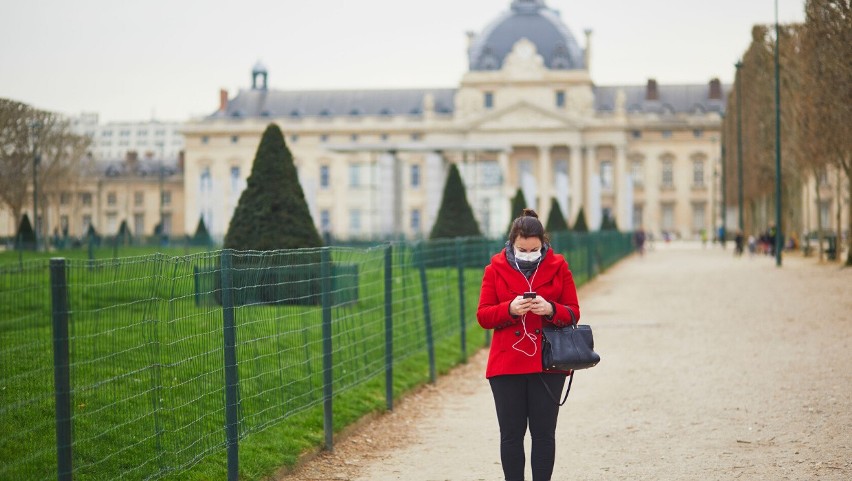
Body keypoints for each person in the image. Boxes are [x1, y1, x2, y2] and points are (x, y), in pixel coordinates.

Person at [477, 209, 580, 481]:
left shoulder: (559, 266)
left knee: (544, 434)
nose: (528, 253)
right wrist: (510, 309)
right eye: (522, 248)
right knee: (511, 435)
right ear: (512, 242)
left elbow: (573, 312)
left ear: (543, 244)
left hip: (548, 363)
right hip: (506, 364)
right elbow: (483, 315)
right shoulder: (494, 269)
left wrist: (550, 309)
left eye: (534, 249)